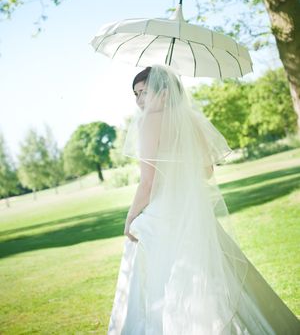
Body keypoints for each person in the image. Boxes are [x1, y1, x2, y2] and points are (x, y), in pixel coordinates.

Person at [107, 64, 299, 335]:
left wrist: (130, 219)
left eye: (144, 92)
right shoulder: (191, 120)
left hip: (162, 214)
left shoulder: (149, 122)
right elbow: (207, 171)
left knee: (159, 283)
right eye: (136, 94)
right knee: (215, 276)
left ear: (163, 92)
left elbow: (147, 183)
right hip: (191, 213)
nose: (140, 101)